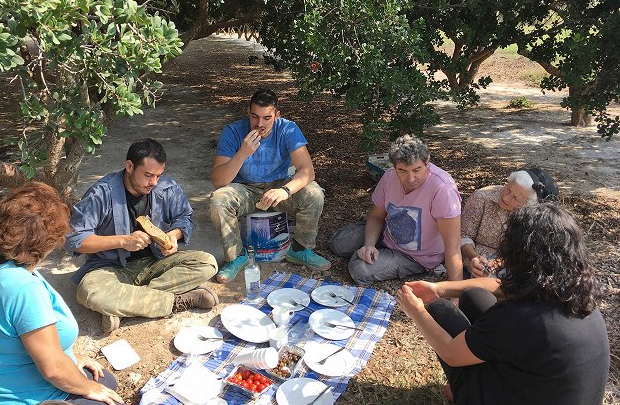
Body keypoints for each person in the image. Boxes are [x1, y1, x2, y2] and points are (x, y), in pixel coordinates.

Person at [397, 203, 610, 405]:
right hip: (551, 393)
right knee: (474, 296)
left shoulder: (521, 317)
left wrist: (416, 310)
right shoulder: (576, 295)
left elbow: (451, 352)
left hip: (518, 397)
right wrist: (439, 288)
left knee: (440, 311)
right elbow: (499, 285)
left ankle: (463, 390)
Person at [0, 182, 125, 405]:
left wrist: (71, 359)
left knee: (107, 382)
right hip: (19, 400)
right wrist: (85, 386)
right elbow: (54, 369)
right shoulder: (23, 289)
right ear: (44, 242)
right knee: (106, 397)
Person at [65, 138, 218, 333]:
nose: (153, 182)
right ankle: (180, 300)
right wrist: (123, 240)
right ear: (129, 166)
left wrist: (174, 234)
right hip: (110, 268)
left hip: (155, 262)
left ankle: (125, 305)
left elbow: (185, 217)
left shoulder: (166, 188)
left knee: (207, 262)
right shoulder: (101, 194)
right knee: (90, 292)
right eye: (147, 175)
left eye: (158, 176)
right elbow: (75, 240)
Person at [209, 87, 330, 282]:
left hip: (278, 184)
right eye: (255, 117)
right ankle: (236, 257)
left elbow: (308, 171)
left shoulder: (287, 129)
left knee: (314, 193)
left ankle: (299, 249)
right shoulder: (233, 132)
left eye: (267, 118)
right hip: (246, 188)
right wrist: (242, 154)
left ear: (277, 115)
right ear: (248, 113)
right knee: (218, 200)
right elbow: (218, 180)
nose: (259, 124)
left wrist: (285, 190)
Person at [329, 135, 463, 283]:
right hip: (388, 234)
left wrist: (454, 294)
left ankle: (370, 255)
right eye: (403, 171)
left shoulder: (443, 188)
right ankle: (371, 251)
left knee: (359, 269)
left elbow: (453, 248)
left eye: (417, 170)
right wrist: (369, 244)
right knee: (338, 243)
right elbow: (376, 216)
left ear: (427, 163)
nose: (411, 178)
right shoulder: (389, 177)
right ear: (394, 166)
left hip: (416, 256)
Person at [461, 167, 559, 277]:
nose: (506, 198)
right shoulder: (482, 197)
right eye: (508, 189)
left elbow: (529, 255)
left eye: (516, 198)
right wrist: (473, 257)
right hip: (473, 266)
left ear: (528, 205)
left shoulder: (534, 217)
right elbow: (463, 235)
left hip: (512, 272)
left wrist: (498, 263)